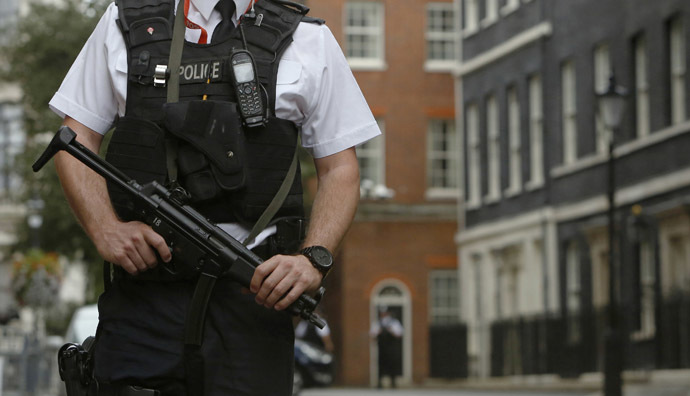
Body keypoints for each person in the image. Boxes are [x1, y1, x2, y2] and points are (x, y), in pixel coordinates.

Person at [48, 0, 380, 395]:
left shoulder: (308, 38)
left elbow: (339, 169)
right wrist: (105, 229)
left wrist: (313, 259)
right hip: (146, 292)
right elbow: (74, 140)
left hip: (253, 297)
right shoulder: (124, 22)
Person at [369, 307, 403, 389]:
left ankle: (393, 382)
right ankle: (380, 382)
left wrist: (391, 331)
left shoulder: (394, 323)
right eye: (382, 313)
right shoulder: (377, 323)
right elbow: (372, 336)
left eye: (385, 313)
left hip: (392, 348)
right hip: (382, 348)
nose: (383, 315)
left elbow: (399, 335)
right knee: (381, 365)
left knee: (393, 364)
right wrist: (378, 332)